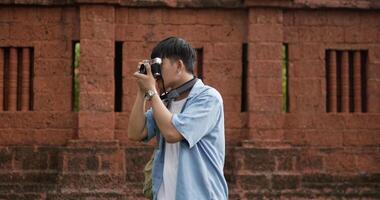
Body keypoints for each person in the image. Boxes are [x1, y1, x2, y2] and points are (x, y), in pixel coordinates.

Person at [127, 36, 228, 200]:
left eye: (160, 65)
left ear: (179, 66)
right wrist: (142, 91)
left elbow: (172, 133)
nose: (156, 73)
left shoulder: (209, 98)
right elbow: (136, 132)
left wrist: (152, 91)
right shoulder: (166, 102)